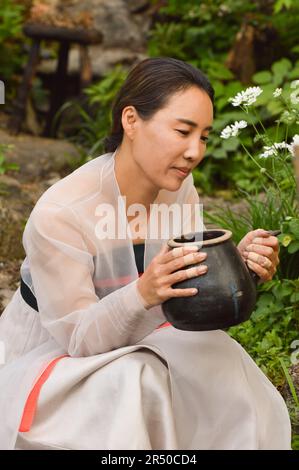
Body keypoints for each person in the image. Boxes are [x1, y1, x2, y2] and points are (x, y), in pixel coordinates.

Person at [0, 57, 291, 450]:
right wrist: (143, 293)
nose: (195, 152)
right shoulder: (62, 212)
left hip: (142, 339)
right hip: (53, 357)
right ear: (131, 121)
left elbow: (185, 295)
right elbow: (80, 340)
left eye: (203, 136)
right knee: (138, 378)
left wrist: (237, 269)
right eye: (183, 131)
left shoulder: (178, 190)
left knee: (223, 358)